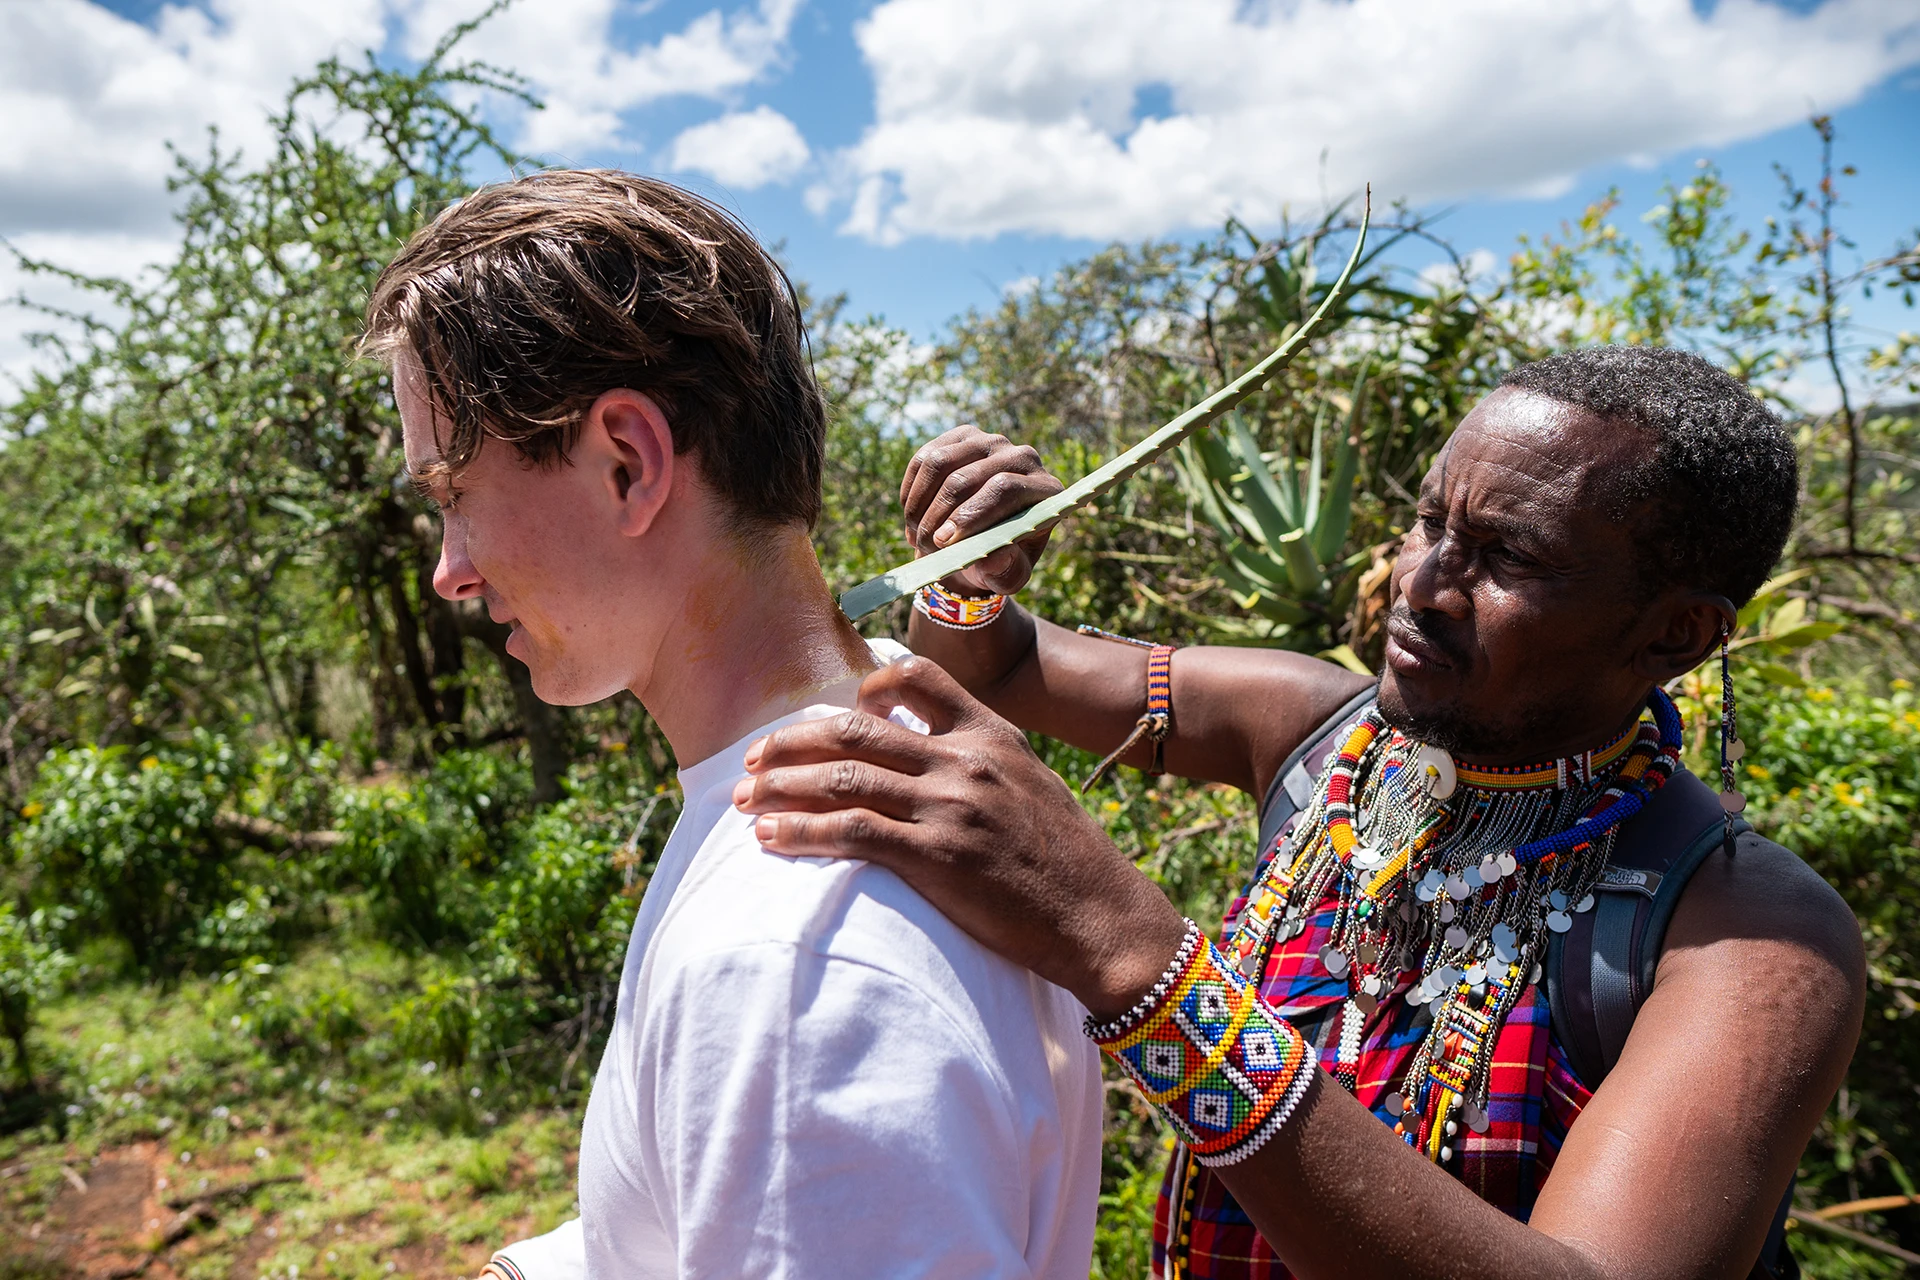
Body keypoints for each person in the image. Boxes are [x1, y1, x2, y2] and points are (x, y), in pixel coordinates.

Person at [732, 346, 1866, 1279]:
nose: (1422, 582)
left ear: (1675, 634)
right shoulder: (1313, 730)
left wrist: (1133, 954)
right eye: (1431, 522)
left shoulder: (1750, 936)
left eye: (1506, 556)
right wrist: (970, 567)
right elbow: (1002, 666)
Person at [362, 169, 1102, 1280]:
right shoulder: (883, 717)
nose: (448, 572)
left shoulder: (792, 967)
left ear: (629, 463)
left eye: (454, 492)